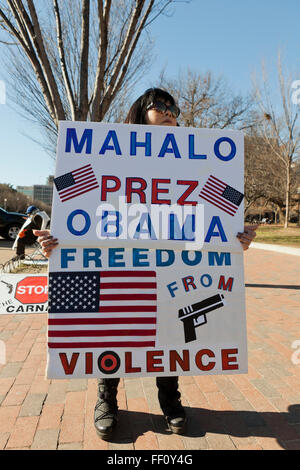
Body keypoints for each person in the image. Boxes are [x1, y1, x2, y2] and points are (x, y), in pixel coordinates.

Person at [34, 88, 258, 440]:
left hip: (173, 265)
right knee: (110, 327)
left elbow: (220, 210)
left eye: (175, 108)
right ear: (142, 111)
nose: (171, 113)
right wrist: (58, 239)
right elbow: (71, 197)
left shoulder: (198, 162)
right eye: (162, 106)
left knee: (171, 323)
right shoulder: (103, 154)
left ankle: (170, 400)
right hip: (115, 263)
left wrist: (237, 235)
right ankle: (106, 399)